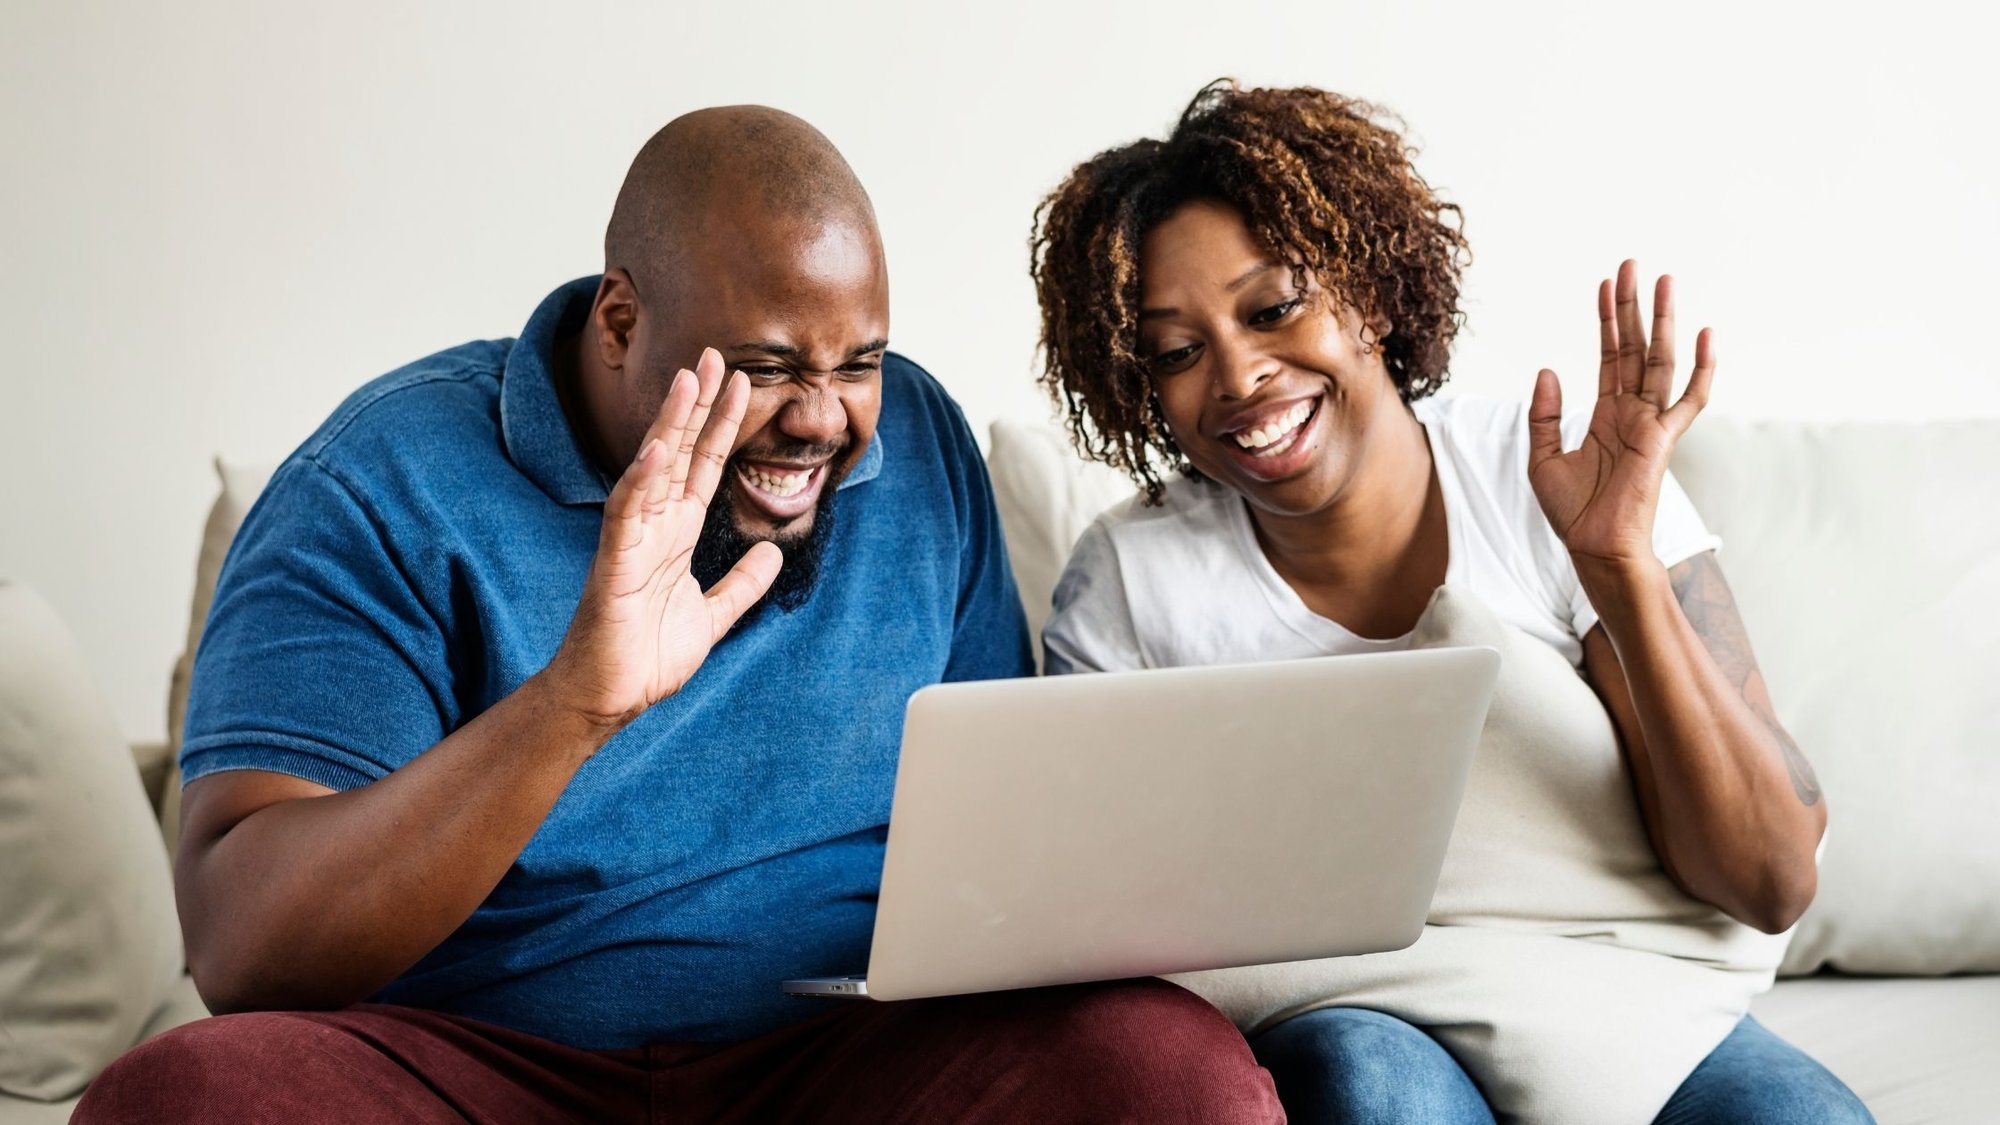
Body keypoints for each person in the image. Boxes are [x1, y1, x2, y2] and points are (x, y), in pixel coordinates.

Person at [75, 106, 1283, 1124]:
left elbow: (1003, 822)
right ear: (619, 320)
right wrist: (570, 707)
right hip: (484, 1071)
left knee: (1166, 1070)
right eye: (763, 367)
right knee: (184, 1099)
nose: (821, 419)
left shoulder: (912, 441)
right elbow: (240, 947)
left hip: (842, 1064)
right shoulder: (380, 486)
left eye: (854, 361)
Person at [1030, 80, 1871, 1124]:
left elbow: (1767, 880)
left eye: (1271, 307)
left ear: (1371, 294)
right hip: (1351, 1009)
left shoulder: (1548, 482)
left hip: (1611, 997)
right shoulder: (1128, 584)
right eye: (1176, 353)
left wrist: (1618, 568)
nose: (1239, 375)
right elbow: (1094, 933)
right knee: (1370, 1086)